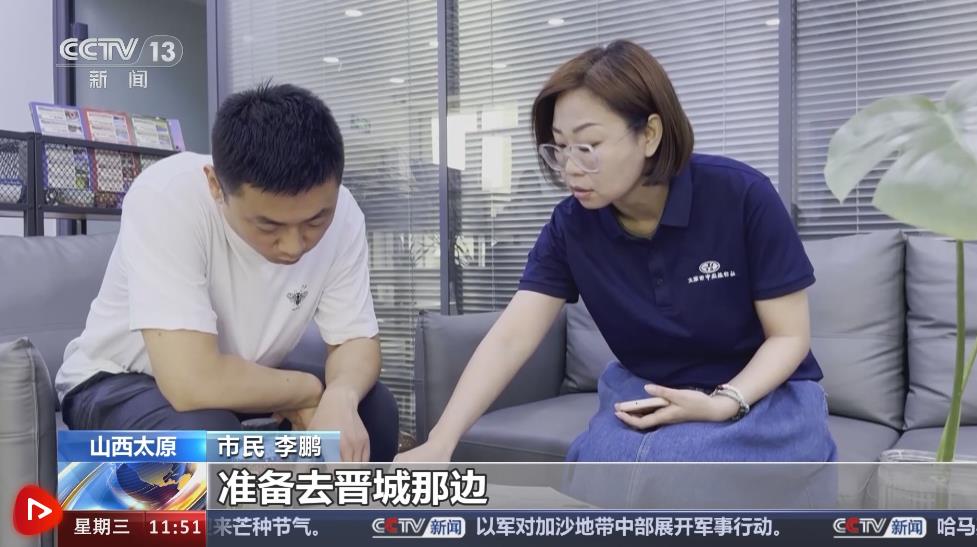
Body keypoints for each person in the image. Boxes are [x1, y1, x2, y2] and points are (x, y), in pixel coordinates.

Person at [397, 40, 837, 463]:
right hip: (649, 390)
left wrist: (724, 402)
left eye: (587, 146)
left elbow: (789, 337)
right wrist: (441, 441)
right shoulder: (572, 225)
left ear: (649, 134)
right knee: (601, 466)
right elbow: (511, 337)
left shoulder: (742, 195)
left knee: (675, 466)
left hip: (761, 393)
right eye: (559, 147)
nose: (570, 168)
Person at [56, 83, 399, 462]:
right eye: (269, 226)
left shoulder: (344, 214)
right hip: (117, 380)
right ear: (215, 186)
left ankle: (322, 503)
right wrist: (308, 391)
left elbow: (355, 340)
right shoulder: (166, 197)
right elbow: (190, 382)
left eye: (316, 221)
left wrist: (340, 397)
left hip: (241, 376)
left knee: (373, 411)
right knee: (207, 436)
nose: (294, 246)